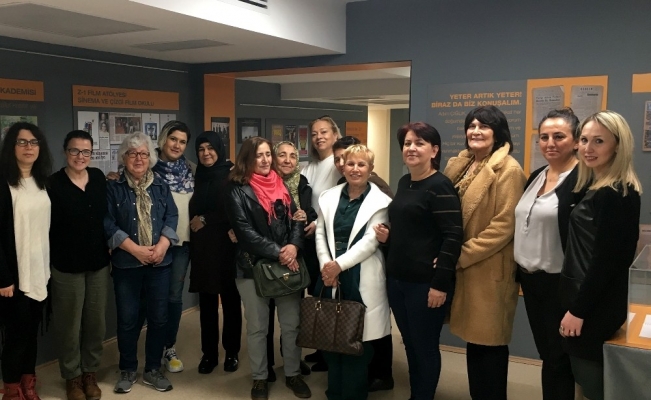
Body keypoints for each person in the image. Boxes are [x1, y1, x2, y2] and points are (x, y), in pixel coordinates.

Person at [443, 106, 526, 400]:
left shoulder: (509, 171)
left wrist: (460, 255)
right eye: (472, 125)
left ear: (498, 132)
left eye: (484, 126)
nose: (475, 131)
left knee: (489, 345)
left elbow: (504, 226)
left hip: (488, 269)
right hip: (466, 269)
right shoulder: (462, 165)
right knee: (475, 343)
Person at [376, 122, 463, 400]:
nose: (411, 148)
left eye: (419, 143)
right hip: (397, 280)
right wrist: (388, 237)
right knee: (410, 344)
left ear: (434, 150)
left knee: (424, 347)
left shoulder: (440, 186)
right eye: (407, 143)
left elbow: (453, 236)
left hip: (425, 285)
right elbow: (413, 229)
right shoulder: (405, 182)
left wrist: (440, 284)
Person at [559, 110, 642, 400]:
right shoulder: (595, 187)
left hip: (595, 305)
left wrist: (579, 311)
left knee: (592, 382)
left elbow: (607, 262)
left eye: (599, 141)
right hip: (587, 298)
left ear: (618, 145)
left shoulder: (616, 194)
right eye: (584, 140)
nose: (588, 148)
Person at [225, 137, 311, 400]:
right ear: (247, 159)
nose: (265, 160)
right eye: (258, 155)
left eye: (267, 155)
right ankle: (260, 378)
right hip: (252, 268)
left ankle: (293, 374)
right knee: (258, 328)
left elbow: (296, 219)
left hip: (287, 264)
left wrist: (293, 247)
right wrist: (281, 253)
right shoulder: (236, 189)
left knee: (291, 325)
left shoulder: (280, 183)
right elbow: (245, 232)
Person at [315, 144, 392, 400]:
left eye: (361, 164)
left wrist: (338, 265)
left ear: (370, 169)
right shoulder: (328, 197)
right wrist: (327, 265)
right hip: (330, 275)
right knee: (331, 339)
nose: (355, 169)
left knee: (358, 343)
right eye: (350, 163)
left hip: (361, 275)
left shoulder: (381, 202)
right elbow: (320, 233)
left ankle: (353, 395)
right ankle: (334, 392)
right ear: (342, 166)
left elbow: (370, 241)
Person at [104, 132, 179, 394]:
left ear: (150, 158)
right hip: (127, 264)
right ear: (124, 157)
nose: (139, 158)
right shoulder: (113, 187)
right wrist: (135, 250)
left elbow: (172, 216)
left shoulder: (160, 186)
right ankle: (127, 369)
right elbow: (107, 223)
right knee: (127, 319)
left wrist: (162, 245)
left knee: (159, 318)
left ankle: (153, 369)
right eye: (133, 153)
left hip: (160, 263)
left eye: (144, 154)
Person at [514, 108, 580, 400]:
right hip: (531, 282)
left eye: (559, 136)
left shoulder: (581, 181)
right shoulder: (536, 176)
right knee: (548, 354)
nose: (550, 143)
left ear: (576, 141)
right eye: (544, 137)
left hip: (560, 284)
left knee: (559, 357)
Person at [48, 130, 110, 400]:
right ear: (65, 152)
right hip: (66, 266)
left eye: (86, 151)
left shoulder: (98, 178)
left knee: (96, 323)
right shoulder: (52, 184)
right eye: (74, 150)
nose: (80, 156)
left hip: (98, 264)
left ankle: (89, 372)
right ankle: (72, 377)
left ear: (92, 154)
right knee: (69, 326)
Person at [0, 122, 52, 400]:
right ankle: (11, 390)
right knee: (16, 336)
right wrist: (3, 277)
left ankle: (28, 385)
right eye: (22, 142)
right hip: (14, 277)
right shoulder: (4, 184)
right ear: (12, 147)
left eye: (33, 142)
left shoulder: (42, 181)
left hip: (39, 272)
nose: (28, 147)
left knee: (31, 333)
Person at [188, 131, 242, 374]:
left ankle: (232, 352)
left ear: (219, 149)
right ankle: (209, 354)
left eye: (210, 148)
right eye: (201, 149)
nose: (206, 153)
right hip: (202, 248)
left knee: (230, 301)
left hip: (226, 246)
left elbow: (233, 209)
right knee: (207, 303)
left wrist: (205, 219)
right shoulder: (196, 175)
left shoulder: (232, 175)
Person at [266, 141, 317, 380]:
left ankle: (291, 361)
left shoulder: (303, 184)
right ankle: (266, 365)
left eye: (293, 156)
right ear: (273, 158)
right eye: (282, 155)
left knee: (292, 317)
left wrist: (307, 216)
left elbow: (311, 213)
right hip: (268, 256)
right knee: (266, 316)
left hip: (296, 255)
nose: (287, 160)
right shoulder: (263, 182)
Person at [152, 120, 195, 373]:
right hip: (155, 243)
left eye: (182, 141)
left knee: (173, 298)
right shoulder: (147, 167)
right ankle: (152, 350)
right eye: (173, 139)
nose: (177, 145)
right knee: (153, 297)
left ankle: (169, 347)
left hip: (182, 245)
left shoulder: (191, 170)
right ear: (163, 139)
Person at [301, 116, 342, 371]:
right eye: (314, 133)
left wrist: (318, 222)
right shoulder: (309, 167)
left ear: (335, 135)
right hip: (310, 242)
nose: (319, 137)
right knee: (317, 294)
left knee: (328, 296)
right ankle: (321, 347)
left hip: (329, 241)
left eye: (324, 132)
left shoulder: (338, 165)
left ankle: (331, 352)